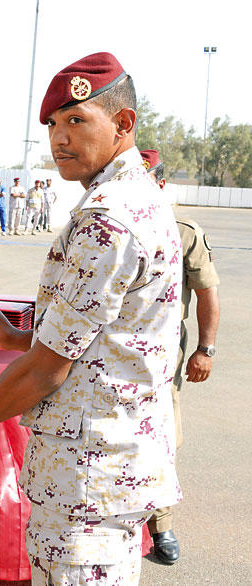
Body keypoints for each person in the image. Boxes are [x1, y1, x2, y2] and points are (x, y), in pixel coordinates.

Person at [0, 52, 182, 585]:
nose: (59, 138)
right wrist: (17, 337)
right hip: (108, 468)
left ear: (123, 123)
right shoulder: (134, 199)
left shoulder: (108, 218)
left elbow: (47, 370)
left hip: (89, 479)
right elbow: (103, 338)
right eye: (54, 125)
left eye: (77, 120)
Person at [141, 148, 220, 565]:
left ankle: (161, 524)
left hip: (161, 360)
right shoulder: (104, 225)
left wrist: (206, 348)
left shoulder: (184, 232)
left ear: (161, 183)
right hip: (106, 356)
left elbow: (207, 293)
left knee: (164, 438)